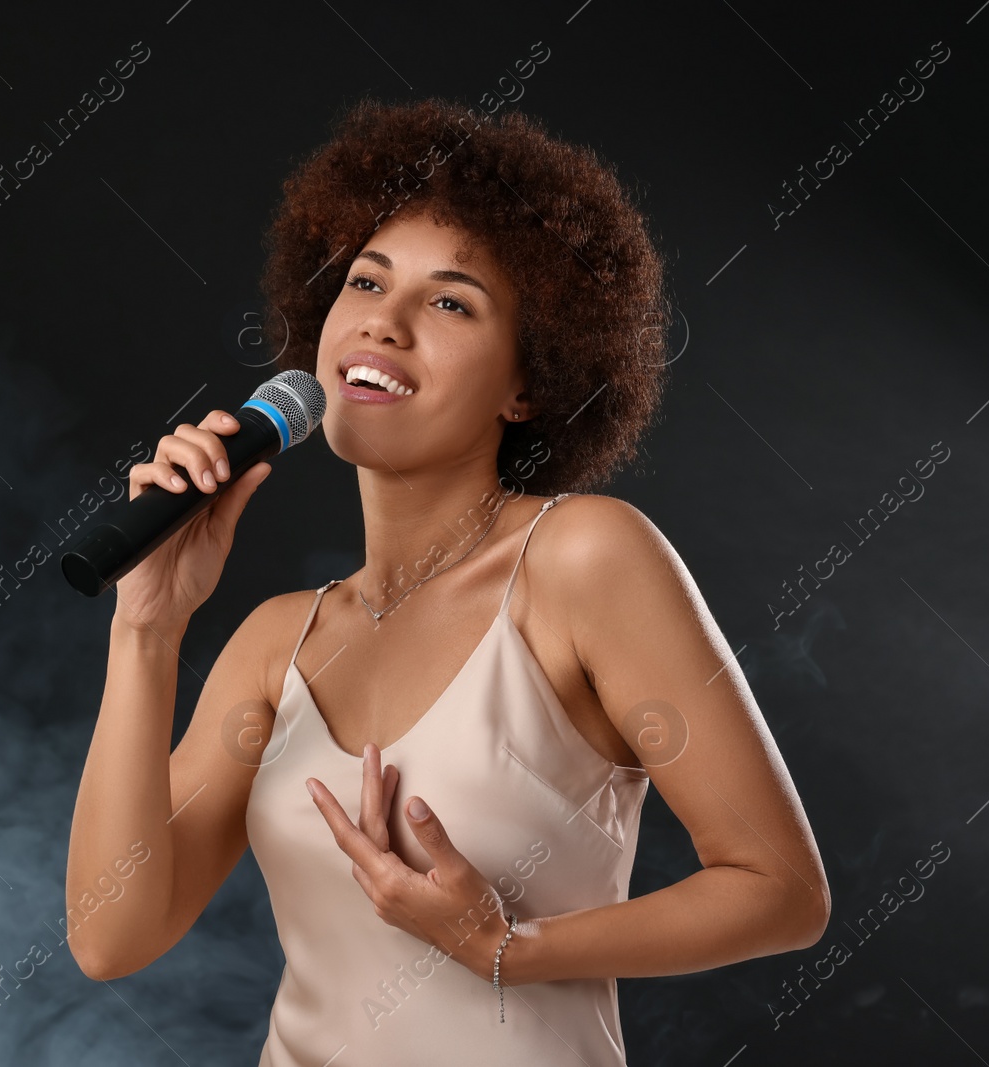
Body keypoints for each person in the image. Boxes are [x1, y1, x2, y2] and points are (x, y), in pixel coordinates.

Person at [65, 96, 831, 1066]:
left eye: (449, 300)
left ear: (528, 382)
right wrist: (147, 629)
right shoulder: (277, 642)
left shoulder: (584, 559)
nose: (382, 323)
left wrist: (508, 946)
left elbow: (780, 888)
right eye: (365, 281)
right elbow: (109, 934)